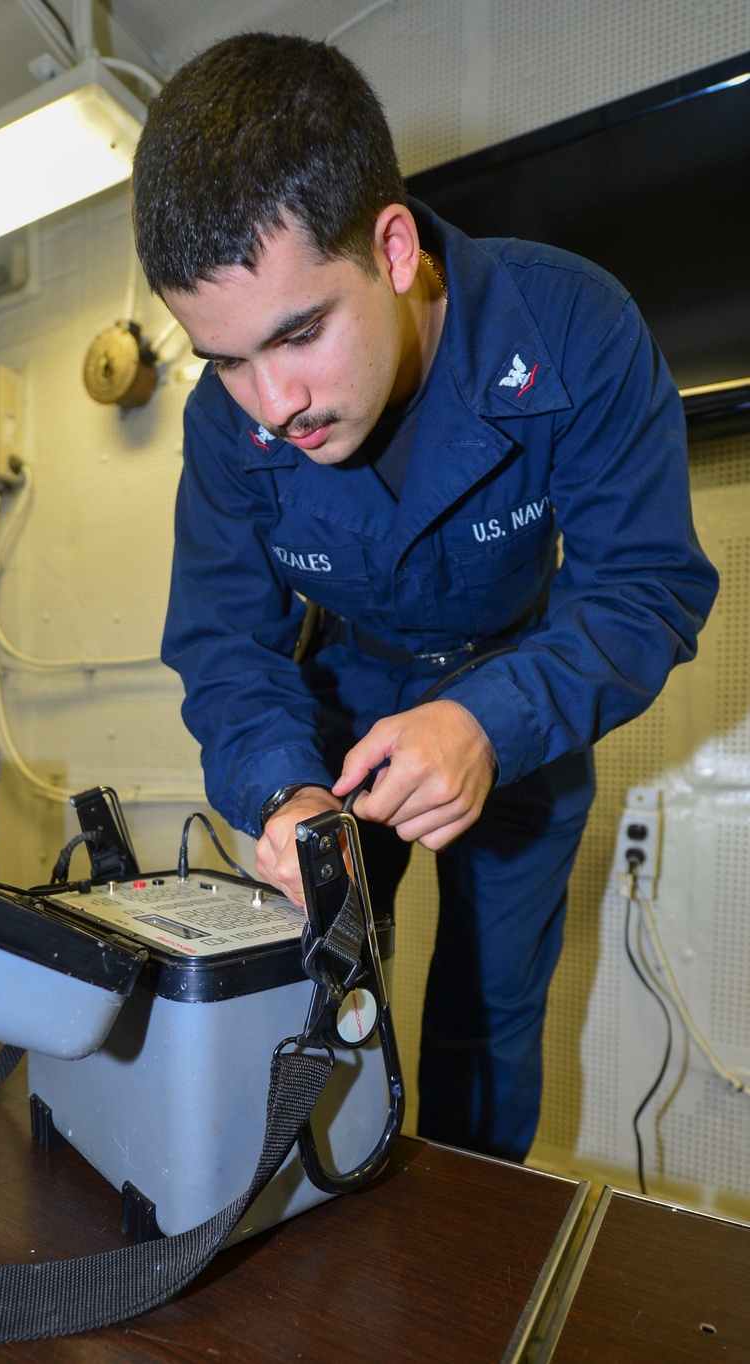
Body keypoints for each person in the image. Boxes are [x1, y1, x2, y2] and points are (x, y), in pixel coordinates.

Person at [130, 32, 718, 1162]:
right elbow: (222, 640)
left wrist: (487, 722)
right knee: (319, 983)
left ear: (392, 246)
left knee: (486, 1017)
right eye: (227, 361)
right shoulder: (229, 427)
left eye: (298, 333)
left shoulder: (573, 330)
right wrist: (282, 792)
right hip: (338, 702)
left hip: (524, 684)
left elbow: (643, 582)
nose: (273, 404)